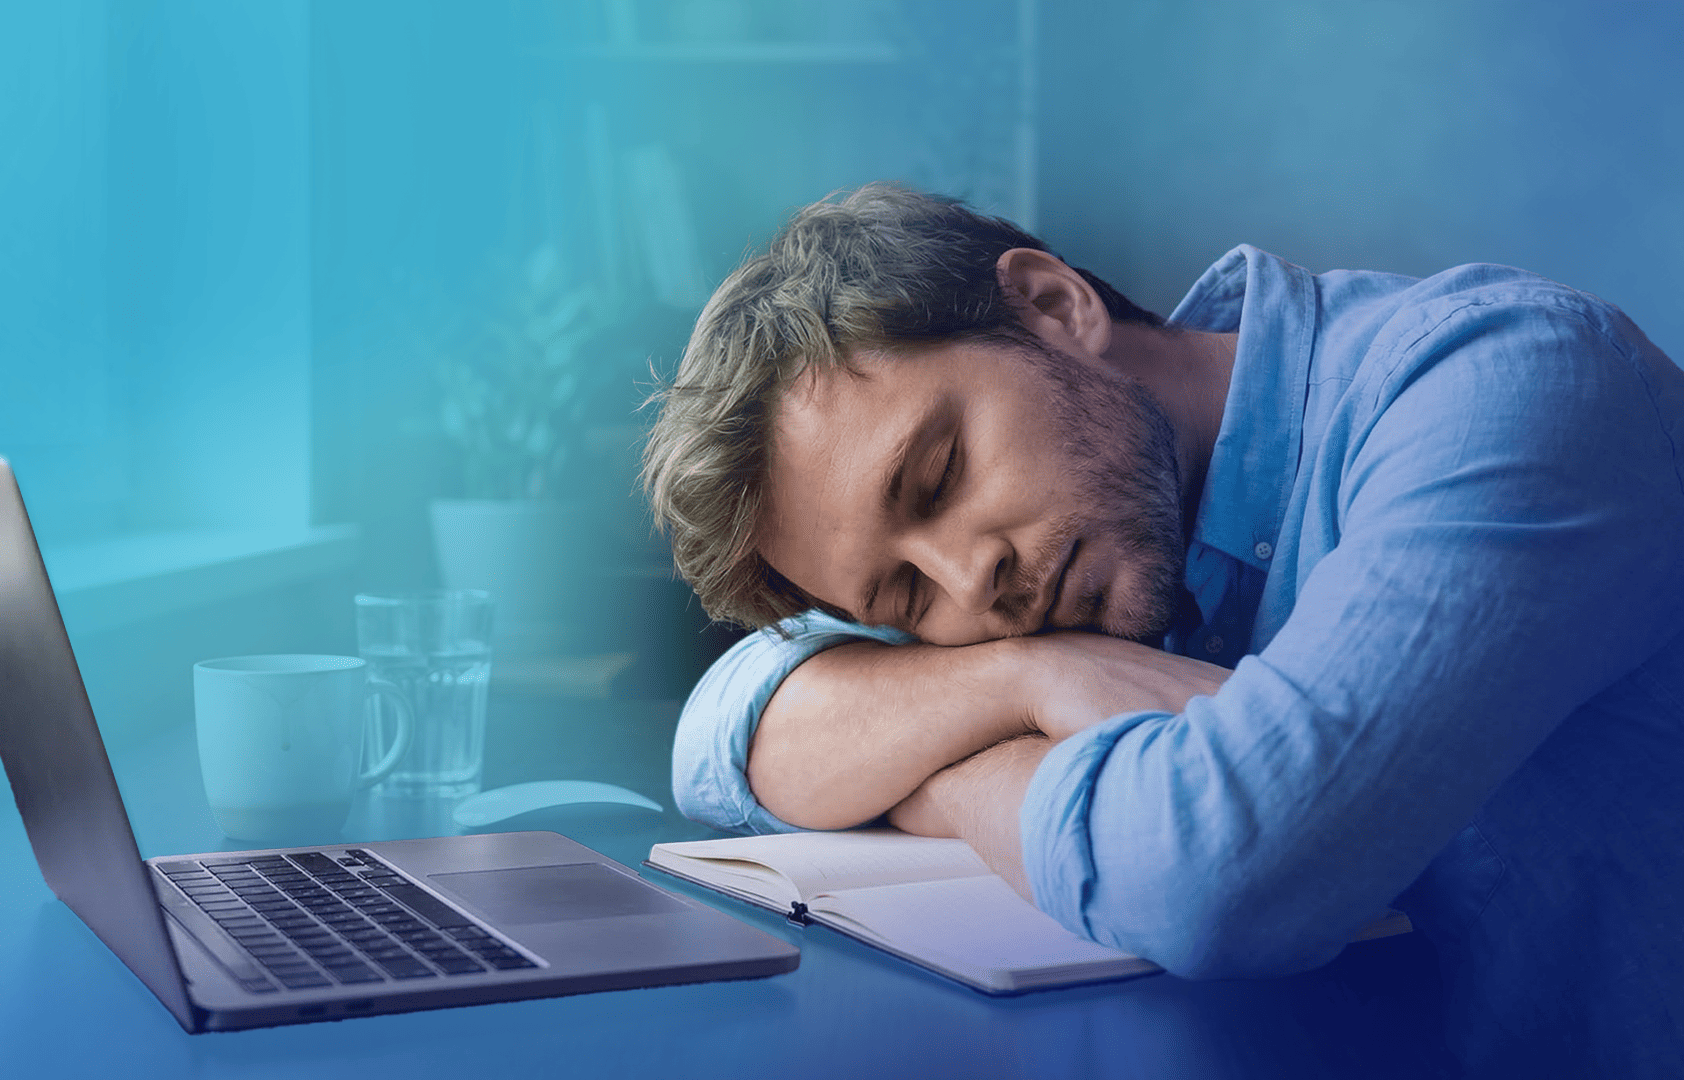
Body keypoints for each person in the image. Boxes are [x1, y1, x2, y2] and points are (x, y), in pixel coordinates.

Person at [640, 183, 1684, 1077]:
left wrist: (943, 778)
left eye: (938, 476)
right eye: (902, 600)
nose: (972, 582)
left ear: (1051, 306)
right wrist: (1027, 680)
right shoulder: (1081, 559)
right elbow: (725, 720)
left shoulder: (1503, 385)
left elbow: (1226, 869)